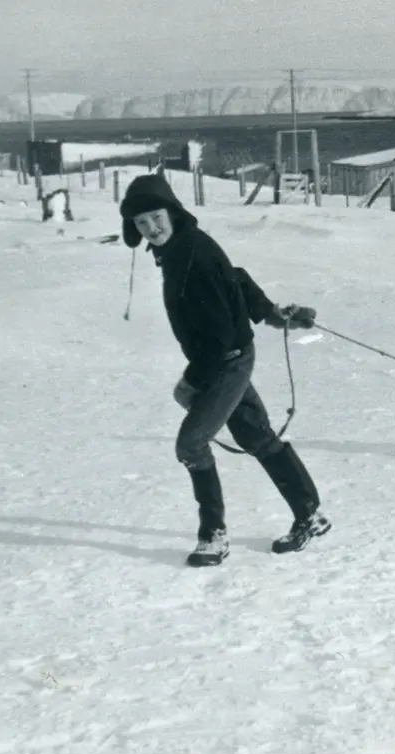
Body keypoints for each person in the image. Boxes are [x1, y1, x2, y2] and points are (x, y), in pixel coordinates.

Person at [119, 172, 331, 567]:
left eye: (156, 217)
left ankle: (212, 536)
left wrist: (194, 382)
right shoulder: (179, 249)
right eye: (141, 222)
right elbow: (235, 276)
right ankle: (310, 514)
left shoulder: (192, 253)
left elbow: (219, 333)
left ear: (173, 213)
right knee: (257, 437)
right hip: (225, 357)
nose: (151, 228)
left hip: (226, 359)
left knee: (191, 444)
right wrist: (268, 312)